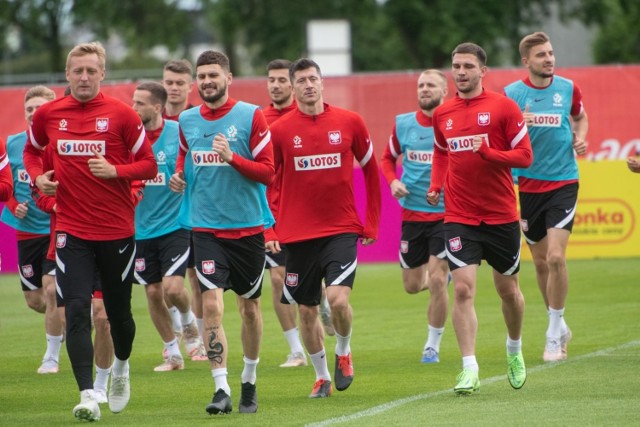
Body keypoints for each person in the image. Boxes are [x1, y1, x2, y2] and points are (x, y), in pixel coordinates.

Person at [23, 41, 157, 421]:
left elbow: (148, 164)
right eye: (77, 71)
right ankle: (86, 394)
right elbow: (31, 153)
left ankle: (122, 368)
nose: (84, 77)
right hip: (71, 229)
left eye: (91, 71)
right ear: (67, 75)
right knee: (77, 310)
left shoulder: (122, 116)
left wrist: (118, 171)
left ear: (103, 74)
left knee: (117, 314)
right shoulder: (48, 115)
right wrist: (39, 178)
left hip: (116, 230)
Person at [169, 50, 274, 415]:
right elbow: (186, 158)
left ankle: (249, 380)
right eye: (202, 76)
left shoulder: (251, 116)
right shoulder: (187, 120)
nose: (207, 81)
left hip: (247, 229)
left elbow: (267, 171)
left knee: (249, 309)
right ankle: (221, 388)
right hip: (205, 228)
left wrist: (233, 158)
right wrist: (179, 177)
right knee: (211, 303)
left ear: (229, 77)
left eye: (214, 74)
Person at [269, 58, 381, 398]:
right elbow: (266, 184)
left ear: (322, 82)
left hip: (341, 229)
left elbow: (372, 172)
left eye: (313, 78)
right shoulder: (280, 131)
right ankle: (320, 377)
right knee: (306, 309)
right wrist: (269, 230)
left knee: (338, 300)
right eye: (300, 80)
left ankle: (343, 351)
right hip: (297, 234)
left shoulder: (350, 122)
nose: (307, 84)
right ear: (292, 86)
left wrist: (371, 220)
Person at [427, 42, 532, 395]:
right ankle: (468, 367)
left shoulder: (504, 107)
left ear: (482, 71)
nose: (460, 72)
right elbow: (441, 152)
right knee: (463, 289)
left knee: (508, 290)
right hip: (459, 214)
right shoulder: (443, 113)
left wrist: (489, 152)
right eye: (456, 65)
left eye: (468, 66)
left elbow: (525, 157)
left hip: (501, 214)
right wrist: (435, 184)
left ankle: (514, 350)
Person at [504, 32, 589, 363]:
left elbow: (581, 116)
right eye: (541, 55)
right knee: (539, 262)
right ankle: (560, 322)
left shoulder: (568, 89)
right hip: (527, 185)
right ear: (527, 61)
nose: (549, 59)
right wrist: (518, 128)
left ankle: (553, 333)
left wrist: (580, 138)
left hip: (564, 181)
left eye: (551, 53)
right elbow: (500, 136)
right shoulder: (512, 95)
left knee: (555, 258)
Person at [31, 142, 115, 404]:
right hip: (69, 242)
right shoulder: (53, 148)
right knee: (73, 315)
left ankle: (102, 384)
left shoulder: (110, 140)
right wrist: (55, 204)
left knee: (103, 317)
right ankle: (86, 390)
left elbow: (135, 180)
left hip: (108, 239)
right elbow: (38, 191)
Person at [131, 81, 205, 371]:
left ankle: (189, 326)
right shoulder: (129, 139)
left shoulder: (179, 133)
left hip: (176, 224)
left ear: (157, 107)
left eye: (139, 103)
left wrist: (183, 179)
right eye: (132, 102)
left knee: (173, 288)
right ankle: (172, 353)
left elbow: (196, 167)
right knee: (152, 292)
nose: (133, 108)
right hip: (140, 229)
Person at [380, 69, 450, 363]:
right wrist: (393, 181)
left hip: (447, 214)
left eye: (431, 84)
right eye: (421, 85)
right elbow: (386, 158)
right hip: (412, 215)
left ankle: (431, 345)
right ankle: (439, 282)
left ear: (444, 91)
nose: (424, 89)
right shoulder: (404, 124)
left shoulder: (453, 123)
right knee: (411, 286)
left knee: (436, 279)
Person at [1, 85, 64, 374]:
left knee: (52, 290)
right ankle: (75, 316)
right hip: (27, 231)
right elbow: (7, 185)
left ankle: (51, 357)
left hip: (58, 226)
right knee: (36, 300)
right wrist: (14, 206)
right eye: (29, 109)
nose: (33, 114)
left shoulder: (63, 144)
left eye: (39, 109)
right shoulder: (14, 144)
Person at [162, 59, 204, 340]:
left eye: (180, 83)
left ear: (191, 86)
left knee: (197, 281)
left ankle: (199, 337)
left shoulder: (197, 119)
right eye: (169, 83)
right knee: (163, 287)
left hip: (196, 212)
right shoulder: (148, 118)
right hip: (160, 218)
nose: (174, 88)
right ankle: (178, 332)